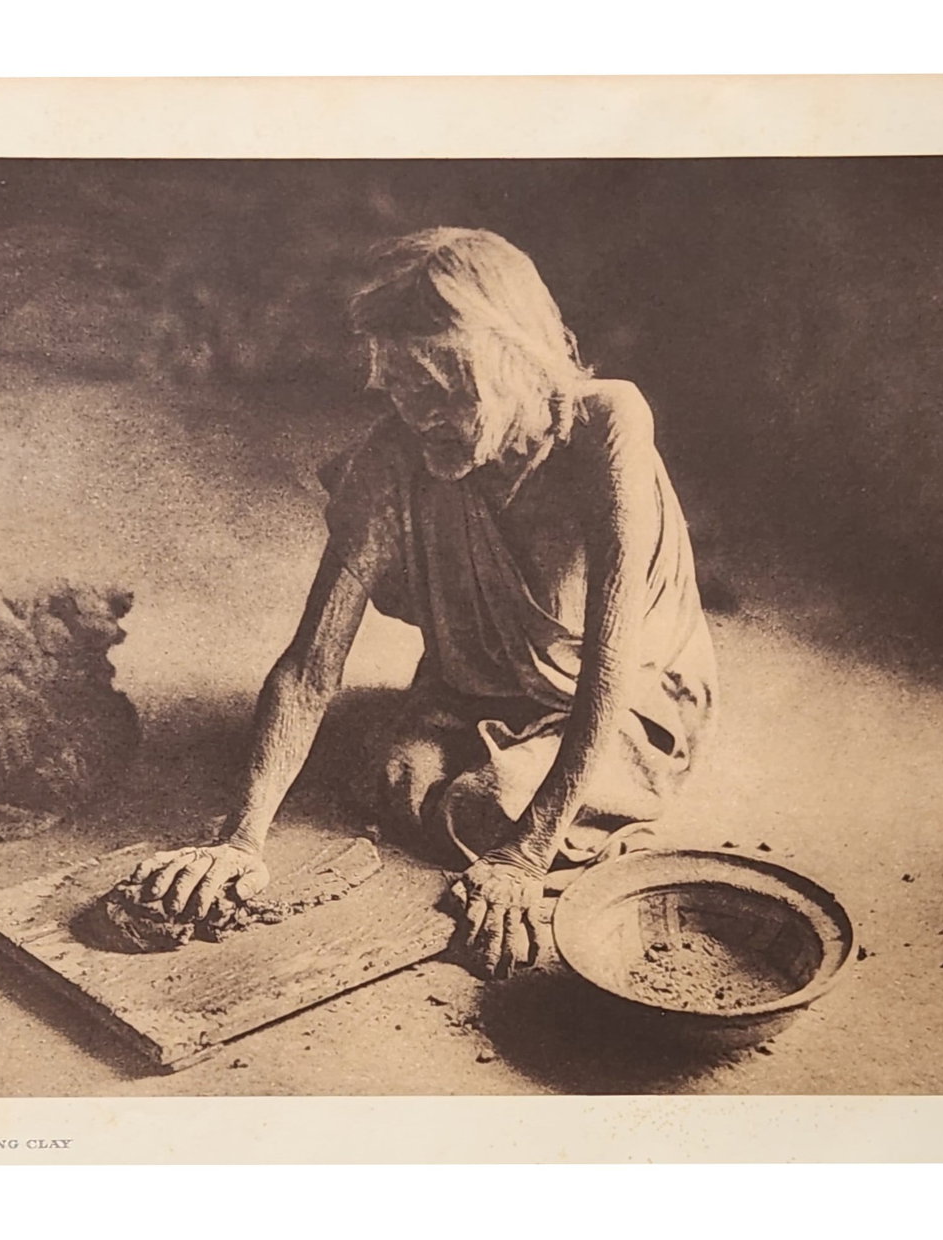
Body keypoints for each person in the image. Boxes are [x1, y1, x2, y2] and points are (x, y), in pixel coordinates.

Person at [130, 227, 717, 976]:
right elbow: (311, 668)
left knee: (492, 808)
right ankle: (531, 780)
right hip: (469, 693)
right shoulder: (391, 459)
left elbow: (611, 660)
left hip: (625, 694)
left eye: (445, 390)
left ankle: (579, 796)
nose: (421, 417)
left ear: (519, 363)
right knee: (398, 777)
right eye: (402, 391)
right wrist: (239, 840)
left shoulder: (607, 425)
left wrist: (525, 858)